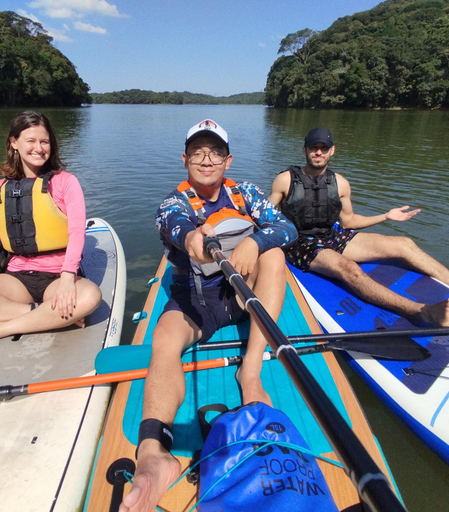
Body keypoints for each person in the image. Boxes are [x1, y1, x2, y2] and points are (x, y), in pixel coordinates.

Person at [120, 119, 297, 512]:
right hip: (195, 297)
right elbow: (175, 225)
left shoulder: (246, 192)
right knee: (164, 340)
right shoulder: (174, 202)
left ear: (227, 160)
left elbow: (286, 227)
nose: (206, 159)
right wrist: (194, 241)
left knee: (275, 253)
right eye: (197, 152)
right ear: (185, 160)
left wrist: (256, 240)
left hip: (242, 291)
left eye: (215, 151)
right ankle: (153, 454)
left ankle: (249, 371)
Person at [269, 127, 449, 327]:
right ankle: (423, 311)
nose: (318, 152)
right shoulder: (285, 180)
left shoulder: (340, 183)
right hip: (300, 243)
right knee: (347, 268)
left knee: (405, 244)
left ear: (332, 151)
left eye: (323, 148)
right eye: (313, 148)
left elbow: (348, 222)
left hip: (333, 235)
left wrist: (386, 216)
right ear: (304, 150)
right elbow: (265, 215)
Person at [0, 111, 101, 349]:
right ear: (14, 143)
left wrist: (67, 279)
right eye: (30, 141)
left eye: (44, 142)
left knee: (90, 296)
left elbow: (76, 232)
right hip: (17, 279)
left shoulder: (65, 182)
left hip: (58, 276)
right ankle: (40, 314)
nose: (39, 148)